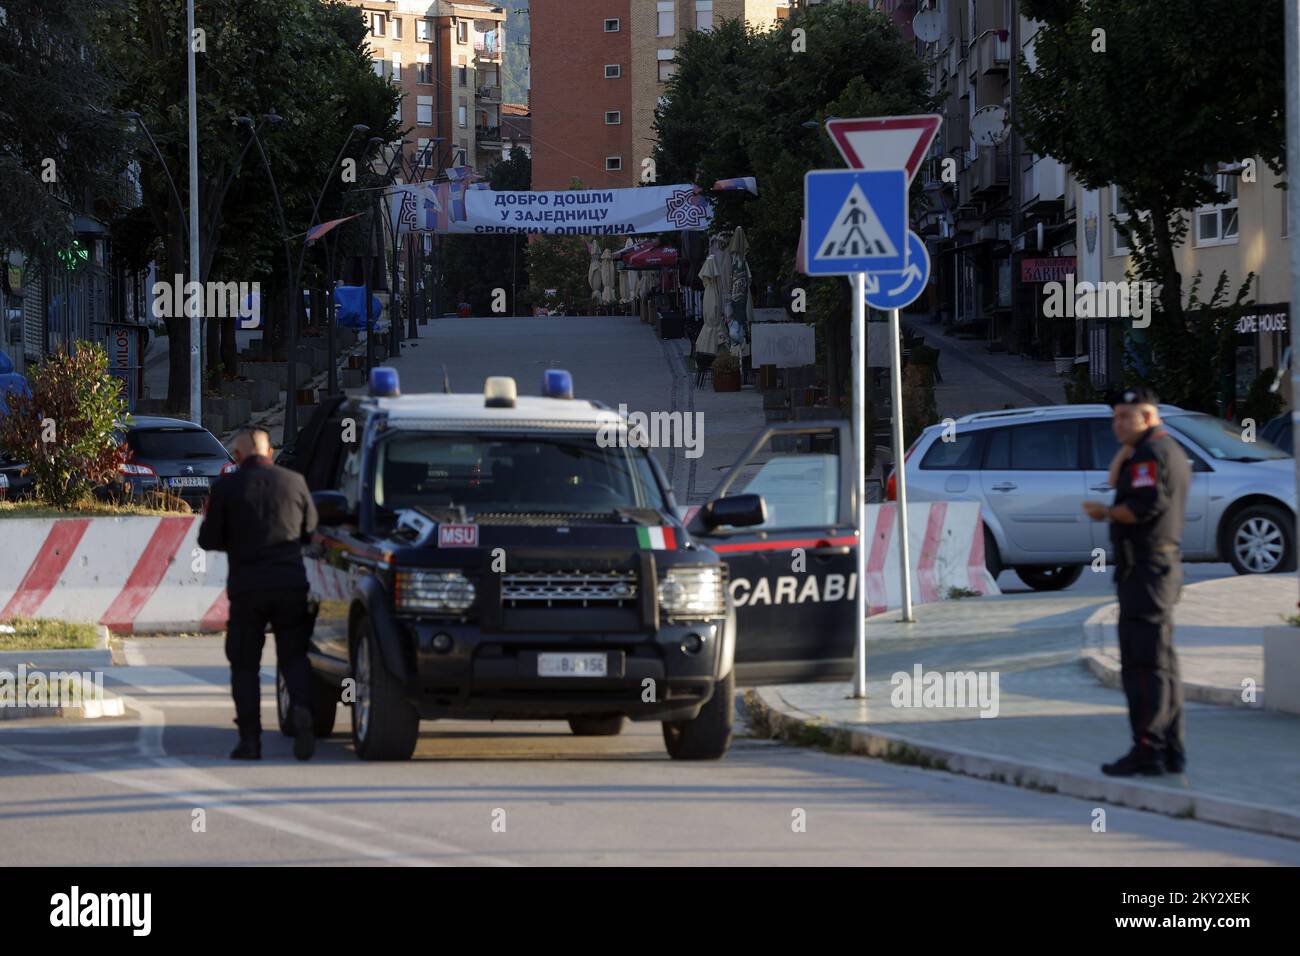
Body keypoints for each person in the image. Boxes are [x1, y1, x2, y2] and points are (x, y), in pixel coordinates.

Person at [1081, 387, 1189, 777]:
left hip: (1146, 569)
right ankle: (1169, 750)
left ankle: (1148, 750)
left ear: (1147, 417)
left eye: (1125, 417)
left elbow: (1142, 507)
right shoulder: (1159, 448)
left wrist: (1105, 513)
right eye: (1114, 417)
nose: (1117, 425)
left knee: (1143, 664)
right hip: (1154, 568)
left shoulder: (1151, 455)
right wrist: (1128, 444)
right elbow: (1115, 476)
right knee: (1161, 661)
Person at [198, 426, 319, 761]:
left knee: (245, 665)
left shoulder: (227, 487)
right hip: (290, 586)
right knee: (294, 657)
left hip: (247, 589)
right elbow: (311, 532)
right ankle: (303, 712)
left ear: (237, 456)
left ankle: (250, 740)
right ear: (269, 451)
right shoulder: (295, 483)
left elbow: (207, 540)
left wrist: (232, 541)